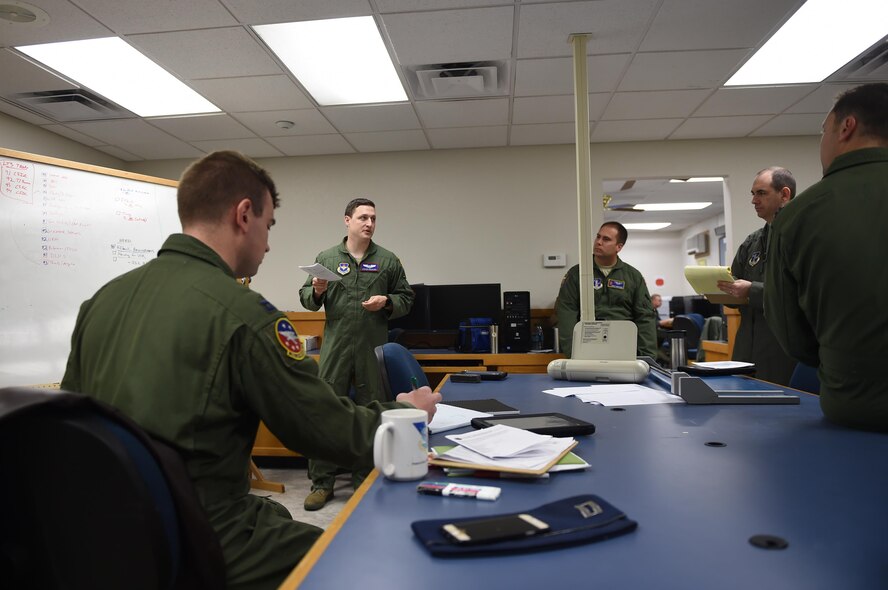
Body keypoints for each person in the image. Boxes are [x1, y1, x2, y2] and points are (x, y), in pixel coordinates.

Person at [60, 151, 441, 589]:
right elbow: (322, 426)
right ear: (244, 215)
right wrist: (405, 414)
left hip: (107, 533)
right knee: (355, 560)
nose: (269, 242)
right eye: (269, 225)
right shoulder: (245, 315)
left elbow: (76, 424)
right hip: (199, 531)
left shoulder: (102, 300)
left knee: (275, 514)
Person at [765, 83, 888, 431]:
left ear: (846, 127)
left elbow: (792, 334)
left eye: (824, 131)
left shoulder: (799, 215)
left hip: (859, 412)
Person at [299, 198, 414, 510]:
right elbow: (307, 300)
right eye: (363, 217)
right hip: (335, 348)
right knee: (324, 412)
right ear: (347, 220)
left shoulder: (388, 260)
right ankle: (322, 483)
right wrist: (318, 290)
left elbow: (407, 298)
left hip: (370, 349)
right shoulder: (326, 258)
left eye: (374, 218)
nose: (369, 223)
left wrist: (387, 302)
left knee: (371, 412)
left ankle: (365, 479)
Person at [716, 166, 798, 386]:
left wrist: (751, 290)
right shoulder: (753, 241)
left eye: (761, 193)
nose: (754, 200)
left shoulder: (800, 236)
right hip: (746, 345)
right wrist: (717, 290)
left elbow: (800, 292)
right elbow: (735, 283)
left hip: (782, 347)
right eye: (753, 194)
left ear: (784, 194)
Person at [555, 221, 657, 358]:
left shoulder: (632, 276)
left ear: (619, 247)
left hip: (624, 346)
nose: (598, 242)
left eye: (606, 239)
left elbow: (645, 318)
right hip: (588, 345)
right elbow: (566, 314)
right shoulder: (577, 274)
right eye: (598, 237)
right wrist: (573, 354)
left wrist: (647, 357)